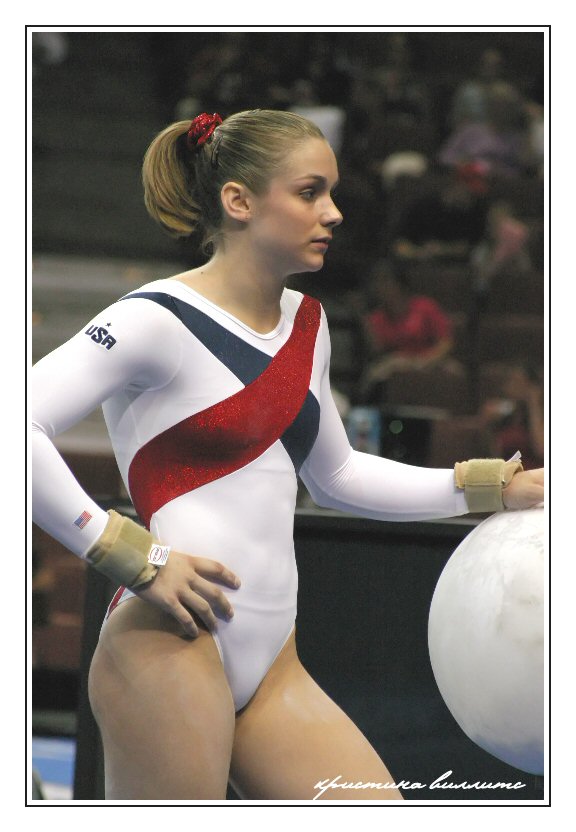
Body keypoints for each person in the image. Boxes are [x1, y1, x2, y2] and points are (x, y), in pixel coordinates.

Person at [32, 109, 544, 801]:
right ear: (238, 201)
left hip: (274, 662)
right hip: (172, 642)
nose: (332, 213)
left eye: (332, 193)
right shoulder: (152, 319)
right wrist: (128, 553)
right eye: (310, 192)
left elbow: (337, 475)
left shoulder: (310, 322)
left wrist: (494, 488)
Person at [357, 262, 455, 402]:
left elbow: (445, 342)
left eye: (385, 281)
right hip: (397, 363)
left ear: (399, 284)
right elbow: (377, 351)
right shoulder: (377, 317)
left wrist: (424, 362)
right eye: (377, 283)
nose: (380, 288)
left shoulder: (425, 306)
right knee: (373, 376)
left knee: (454, 373)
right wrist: (363, 319)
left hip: (429, 361)